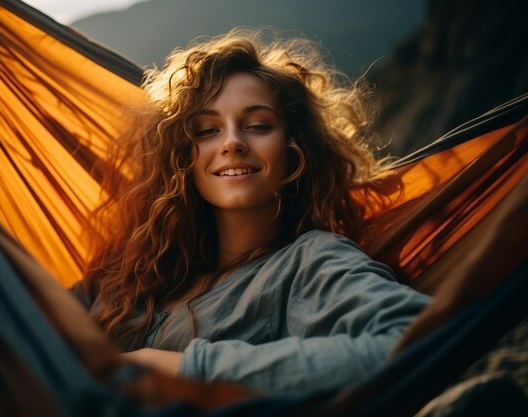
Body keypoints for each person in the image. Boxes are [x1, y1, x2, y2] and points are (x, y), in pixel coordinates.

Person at [72, 29, 429, 395]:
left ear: (294, 147)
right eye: (207, 130)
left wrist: (182, 367)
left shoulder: (310, 262)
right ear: (181, 156)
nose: (232, 143)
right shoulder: (128, 270)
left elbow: (415, 339)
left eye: (258, 126)